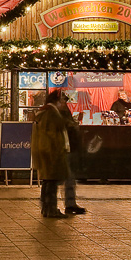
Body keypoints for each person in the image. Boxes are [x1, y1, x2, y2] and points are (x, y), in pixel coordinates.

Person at [31, 90, 69, 218]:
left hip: (46, 151)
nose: (64, 104)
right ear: (56, 101)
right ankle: (51, 209)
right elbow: (52, 134)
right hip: (50, 152)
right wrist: (57, 151)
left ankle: (47, 209)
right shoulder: (50, 112)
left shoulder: (46, 111)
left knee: (48, 181)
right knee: (51, 182)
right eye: (63, 101)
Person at [57, 92, 86, 214]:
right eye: (63, 100)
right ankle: (66, 205)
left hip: (69, 148)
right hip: (63, 149)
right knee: (60, 179)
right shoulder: (57, 113)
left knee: (69, 178)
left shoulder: (64, 111)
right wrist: (73, 124)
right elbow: (65, 127)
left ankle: (70, 204)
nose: (65, 102)